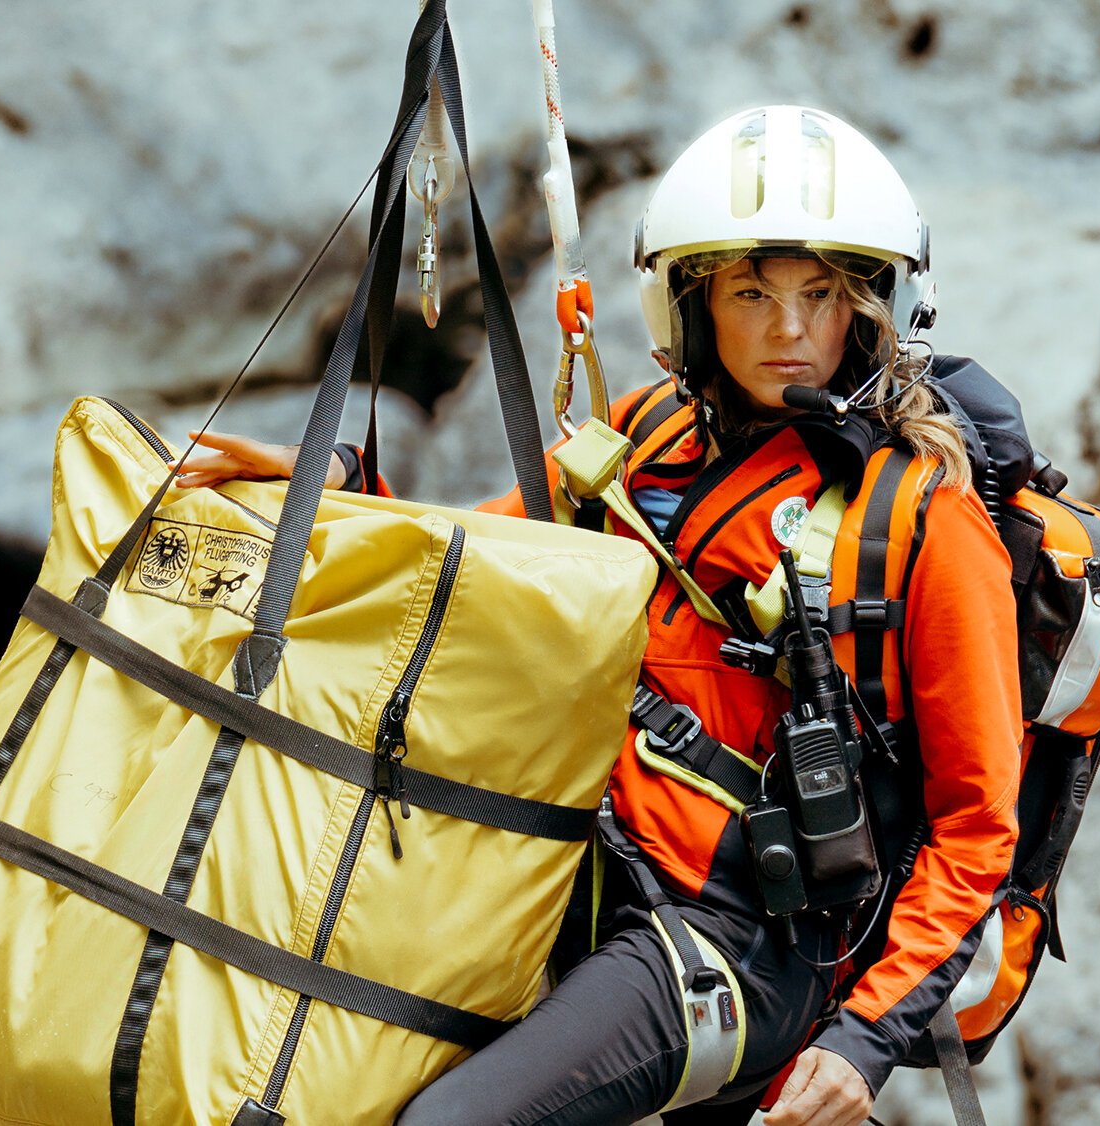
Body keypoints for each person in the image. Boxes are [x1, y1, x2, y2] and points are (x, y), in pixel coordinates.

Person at [178, 105, 1020, 1126]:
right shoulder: (647, 435)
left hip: (743, 937)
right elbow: (488, 560)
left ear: (870, 308)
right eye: (751, 291)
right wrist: (327, 483)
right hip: (578, 858)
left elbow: (977, 826)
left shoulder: (925, 520)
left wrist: (865, 1038)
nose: (788, 329)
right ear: (693, 303)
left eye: (820, 295)